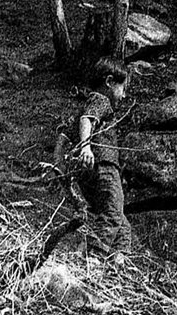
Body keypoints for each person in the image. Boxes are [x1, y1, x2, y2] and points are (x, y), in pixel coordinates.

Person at [54, 59, 135, 257]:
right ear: (109, 81)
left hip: (90, 171)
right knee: (112, 214)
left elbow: (63, 137)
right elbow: (86, 120)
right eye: (122, 88)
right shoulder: (100, 100)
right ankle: (94, 257)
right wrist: (86, 148)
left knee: (120, 220)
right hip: (103, 166)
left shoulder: (86, 104)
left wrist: (59, 165)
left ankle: (120, 260)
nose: (124, 96)